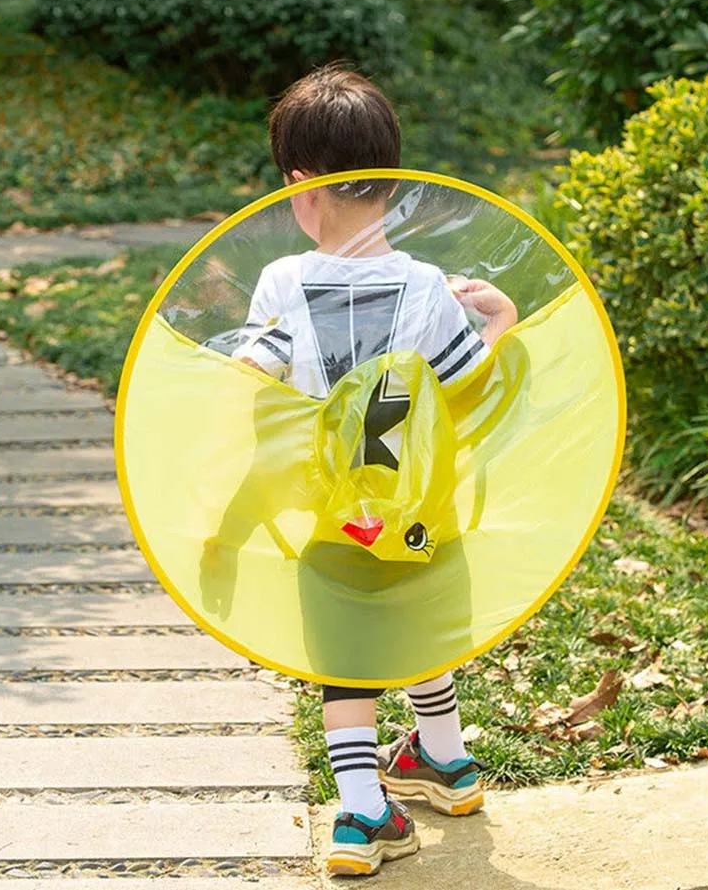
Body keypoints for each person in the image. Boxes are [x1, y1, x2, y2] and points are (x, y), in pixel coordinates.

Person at [221, 65, 517, 875]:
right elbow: (463, 386)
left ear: (300, 186)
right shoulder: (426, 285)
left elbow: (251, 379)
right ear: (389, 182)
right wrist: (501, 320)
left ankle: (363, 812)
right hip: (421, 503)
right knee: (421, 619)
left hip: (333, 511)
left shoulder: (285, 281)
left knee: (344, 651)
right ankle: (447, 763)